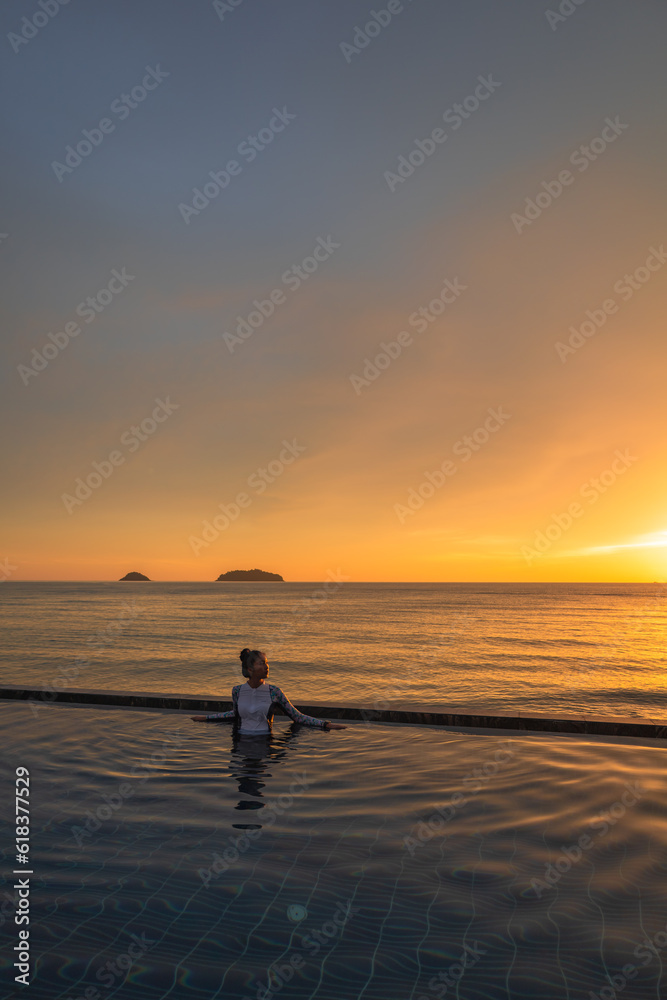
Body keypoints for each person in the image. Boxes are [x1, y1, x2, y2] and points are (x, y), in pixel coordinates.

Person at [191, 648, 347, 734]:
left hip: (264, 743)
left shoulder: (274, 692)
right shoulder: (237, 691)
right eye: (262, 663)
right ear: (250, 669)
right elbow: (234, 714)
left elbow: (296, 716)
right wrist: (206, 718)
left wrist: (326, 725)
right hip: (239, 744)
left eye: (267, 663)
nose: (267, 667)